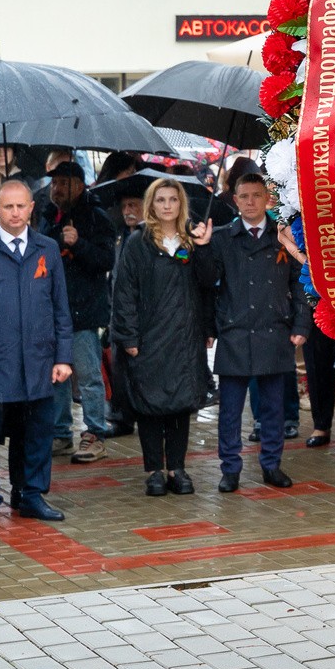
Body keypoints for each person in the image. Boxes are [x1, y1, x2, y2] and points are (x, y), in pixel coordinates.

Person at [0, 179, 75, 530]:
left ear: (32, 208)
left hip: (38, 362)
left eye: (22, 206)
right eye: (8, 207)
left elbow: (60, 308)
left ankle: (31, 495)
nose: (16, 213)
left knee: (36, 433)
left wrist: (63, 357)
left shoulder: (47, 249)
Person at [197, 175, 302, 493]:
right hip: (235, 332)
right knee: (229, 410)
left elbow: (299, 284)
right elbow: (207, 282)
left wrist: (301, 326)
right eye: (244, 196)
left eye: (257, 195)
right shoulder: (222, 237)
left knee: (273, 407)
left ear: (268, 198)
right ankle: (230, 468)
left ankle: (272, 465)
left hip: (274, 331)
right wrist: (201, 248)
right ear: (235, 200)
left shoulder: (281, 235)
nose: (251, 201)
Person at [111, 181, 212, 499]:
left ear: (181, 203)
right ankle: (154, 470)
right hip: (149, 338)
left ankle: (176, 470)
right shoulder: (138, 242)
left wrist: (205, 247)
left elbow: (209, 283)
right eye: (160, 200)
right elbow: (124, 292)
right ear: (151, 205)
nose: (167, 205)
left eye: (173, 199)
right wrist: (128, 336)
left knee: (180, 406)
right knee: (150, 406)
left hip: (184, 338)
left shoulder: (192, 240)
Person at [38, 162, 115, 464]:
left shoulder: (97, 217)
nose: (57, 189)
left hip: (85, 309)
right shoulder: (46, 216)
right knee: (56, 375)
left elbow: (106, 260)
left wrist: (79, 243)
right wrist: (59, 239)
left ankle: (95, 433)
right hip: (51, 310)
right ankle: (60, 433)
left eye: (64, 183)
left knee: (88, 376)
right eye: (54, 183)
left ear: (80, 186)